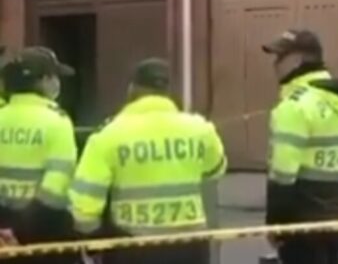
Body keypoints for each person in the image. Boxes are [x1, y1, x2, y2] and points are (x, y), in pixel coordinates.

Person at [68, 58, 227, 264]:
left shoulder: (107, 136)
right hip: (190, 247)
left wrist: (95, 241)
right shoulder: (200, 129)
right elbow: (216, 169)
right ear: (168, 91)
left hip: (133, 249)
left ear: (132, 89)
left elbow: (83, 206)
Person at [261, 29, 338, 264]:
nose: (275, 64)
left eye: (280, 57)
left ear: (298, 61)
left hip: (303, 224)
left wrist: (277, 227)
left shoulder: (293, 108)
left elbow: (282, 178)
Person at [0, 46, 78, 264]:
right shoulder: (57, 122)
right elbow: (55, 189)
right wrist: (20, 231)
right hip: (42, 236)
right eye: (54, 77)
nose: (57, 83)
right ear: (43, 80)